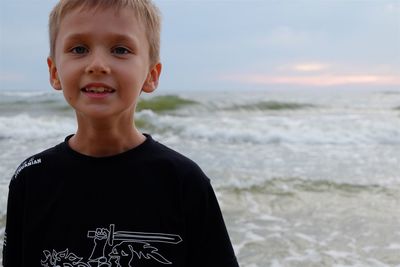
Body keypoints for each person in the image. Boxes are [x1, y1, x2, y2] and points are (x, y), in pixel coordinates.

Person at [2, 0, 240, 266]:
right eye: (79, 49)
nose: (98, 64)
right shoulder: (31, 179)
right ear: (55, 72)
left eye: (120, 49)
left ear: (151, 74)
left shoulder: (183, 181)